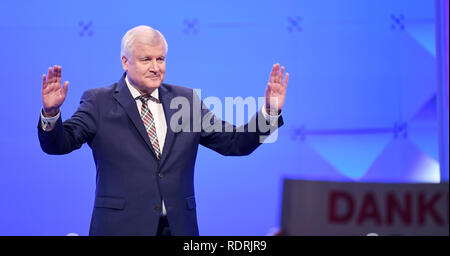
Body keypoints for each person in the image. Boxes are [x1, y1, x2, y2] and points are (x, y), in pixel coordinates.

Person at [38, 25, 289, 236]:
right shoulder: (99, 101)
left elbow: (234, 143)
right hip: (122, 227)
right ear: (125, 61)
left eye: (161, 59)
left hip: (178, 228)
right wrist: (51, 114)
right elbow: (59, 144)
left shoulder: (186, 101)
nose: (156, 67)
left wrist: (269, 112)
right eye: (146, 59)